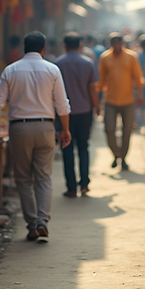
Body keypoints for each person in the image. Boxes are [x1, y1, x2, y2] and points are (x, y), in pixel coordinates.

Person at [0, 32, 71, 243]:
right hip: (45, 128)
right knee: (43, 177)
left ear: (24, 48)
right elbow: (62, 104)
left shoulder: (11, 70)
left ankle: (32, 224)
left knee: (23, 179)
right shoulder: (52, 69)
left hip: (19, 129)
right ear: (43, 49)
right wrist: (65, 129)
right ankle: (42, 220)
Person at [55, 32, 99, 197]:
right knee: (83, 147)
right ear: (80, 45)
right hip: (84, 111)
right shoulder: (88, 63)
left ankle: (71, 187)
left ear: (64, 46)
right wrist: (96, 106)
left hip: (63, 113)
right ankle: (85, 183)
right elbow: (92, 88)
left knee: (67, 148)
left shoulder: (58, 64)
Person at [98, 33, 144, 171]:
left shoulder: (131, 57)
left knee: (127, 130)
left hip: (128, 99)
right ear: (111, 44)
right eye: (114, 43)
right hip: (110, 100)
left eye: (119, 43)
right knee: (109, 129)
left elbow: (138, 77)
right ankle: (116, 153)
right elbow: (100, 81)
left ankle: (123, 158)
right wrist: (98, 101)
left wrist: (140, 95)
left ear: (122, 44)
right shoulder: (105, 57)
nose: (116, 46)